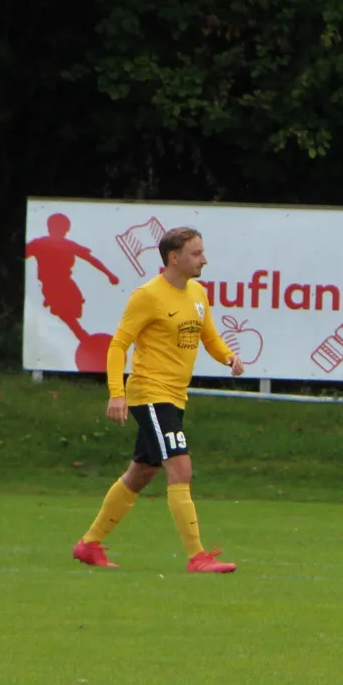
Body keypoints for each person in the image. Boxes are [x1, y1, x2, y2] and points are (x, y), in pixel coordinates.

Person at [74, 227, 246, 571]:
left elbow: (208, 335)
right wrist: (117, 393)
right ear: (174, 258)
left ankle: (89, 545)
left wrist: (228, 357)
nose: (204, 259)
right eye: (196, 254)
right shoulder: (148, 296)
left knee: (139, 474)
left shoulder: (197, 293)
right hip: (151, 394)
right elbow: (118, 345)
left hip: (175, 397)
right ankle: (197, 557)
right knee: (180, 467)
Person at [25, 212, 121, 343]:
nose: (59, 232)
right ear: (49, 228)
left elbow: (91, 259)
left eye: (62, 229)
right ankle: (82, 336)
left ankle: (75, 327)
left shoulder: (68, 245)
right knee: (64, 312)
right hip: (51, 285)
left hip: (66, 283)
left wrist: (109, 274)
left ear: (66, 230)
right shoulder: (40, 244)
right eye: (55, 228)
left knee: (75, 308)